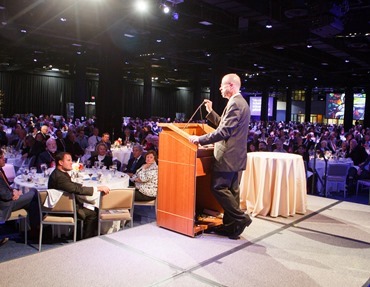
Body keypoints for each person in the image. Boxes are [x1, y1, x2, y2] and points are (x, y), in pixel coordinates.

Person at [188, 73, 252, 240]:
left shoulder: (235, 104)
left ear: (231, 86)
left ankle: (241, 218)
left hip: (227, 156)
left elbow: (224, 131)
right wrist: (210, 112)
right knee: (232, 191)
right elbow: (226, 125)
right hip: (236, 157)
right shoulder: (239, 102)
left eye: (222, 85)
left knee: (218, 188)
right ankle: (232, 228)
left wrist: (199, 139)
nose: (220, 88)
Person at [48, 152, 110, 238]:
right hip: (62, 209)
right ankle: (86, 240)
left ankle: (81, 234)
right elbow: (76, 189)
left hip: (64, 205)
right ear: (60, 162)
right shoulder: (60, 177)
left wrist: (88, 187)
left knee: (91, 206)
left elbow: (73, 185)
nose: (71, 163)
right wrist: (97, 188)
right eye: (68, 160)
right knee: (93, 213)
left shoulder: (60, 173)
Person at [0, 150, 39, 242]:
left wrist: (14, 191)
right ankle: (34, 230)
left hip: (8, 198)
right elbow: (4, 194)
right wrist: (13, 194)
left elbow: (5, 186)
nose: (4, 159)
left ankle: (32, 230)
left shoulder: (1, 170)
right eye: (1, 158)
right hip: (6, 204)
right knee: (33, 193)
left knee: (31, 203)